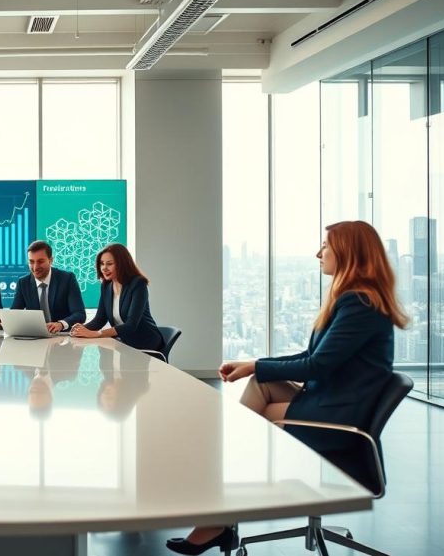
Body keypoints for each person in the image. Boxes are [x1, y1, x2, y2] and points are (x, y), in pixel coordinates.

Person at [166, 221, 408, 555]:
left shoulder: (360, 304)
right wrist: (254, 364)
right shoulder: (352, 298)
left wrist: (256, 366)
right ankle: (218, 497)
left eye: (325, 245)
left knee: (259, 417)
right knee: (259, 386)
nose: (318, 253)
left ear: (349, 252)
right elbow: (312, 356)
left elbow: (316, 366)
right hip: (331, 400)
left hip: (341, 420)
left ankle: (216, 501)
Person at [70, 243, 164, 353]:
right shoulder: (106, 286)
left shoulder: (138, 284)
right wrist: (81, 330)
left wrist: (97, 334)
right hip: (124, 342)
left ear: (122, 264)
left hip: (145, 342)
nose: (104, 268)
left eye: (109, 264)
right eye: (102, 264)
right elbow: (99, 320)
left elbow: (131, 325)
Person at [11, 240, 86, 333]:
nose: (35, 267)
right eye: (31, 262)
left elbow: (80, 314)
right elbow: (14, 314)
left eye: (40, 261)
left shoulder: (67, 279)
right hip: (35, 338)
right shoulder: (23, 283)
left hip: (63, 338)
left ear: (50, 260)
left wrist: (61, 324)